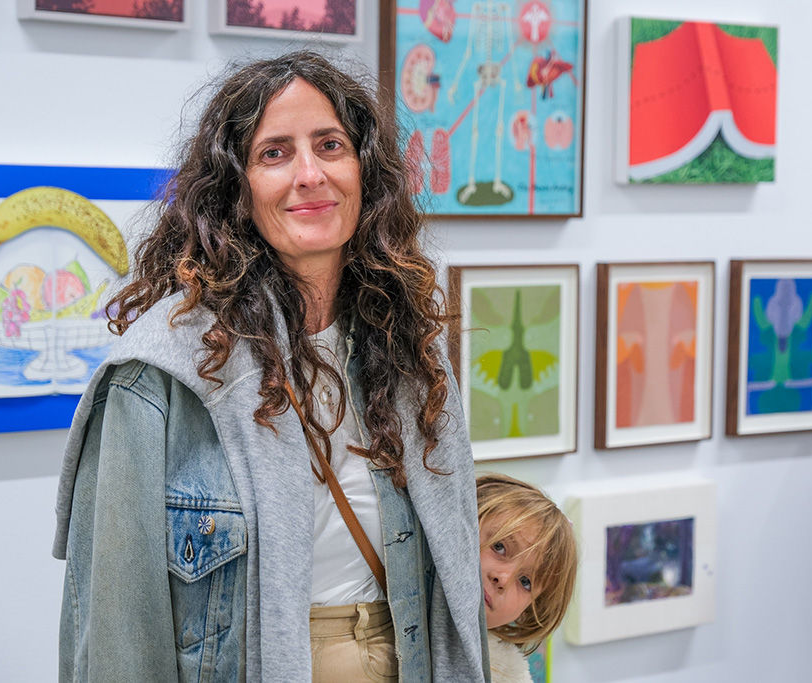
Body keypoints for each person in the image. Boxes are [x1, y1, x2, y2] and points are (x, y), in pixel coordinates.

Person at [52, 51, 489, 682]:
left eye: (330, 145)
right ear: (235, 189)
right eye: (274, 153)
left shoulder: (407, 344)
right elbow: (116, 630)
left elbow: (453, 574)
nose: (310, 174)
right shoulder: (160, 376)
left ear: (366, 171)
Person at [475, 473, 578, 683]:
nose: (502, 579)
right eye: (499, 547)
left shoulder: (509, 677)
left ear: (529, 609)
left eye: (525, 582)